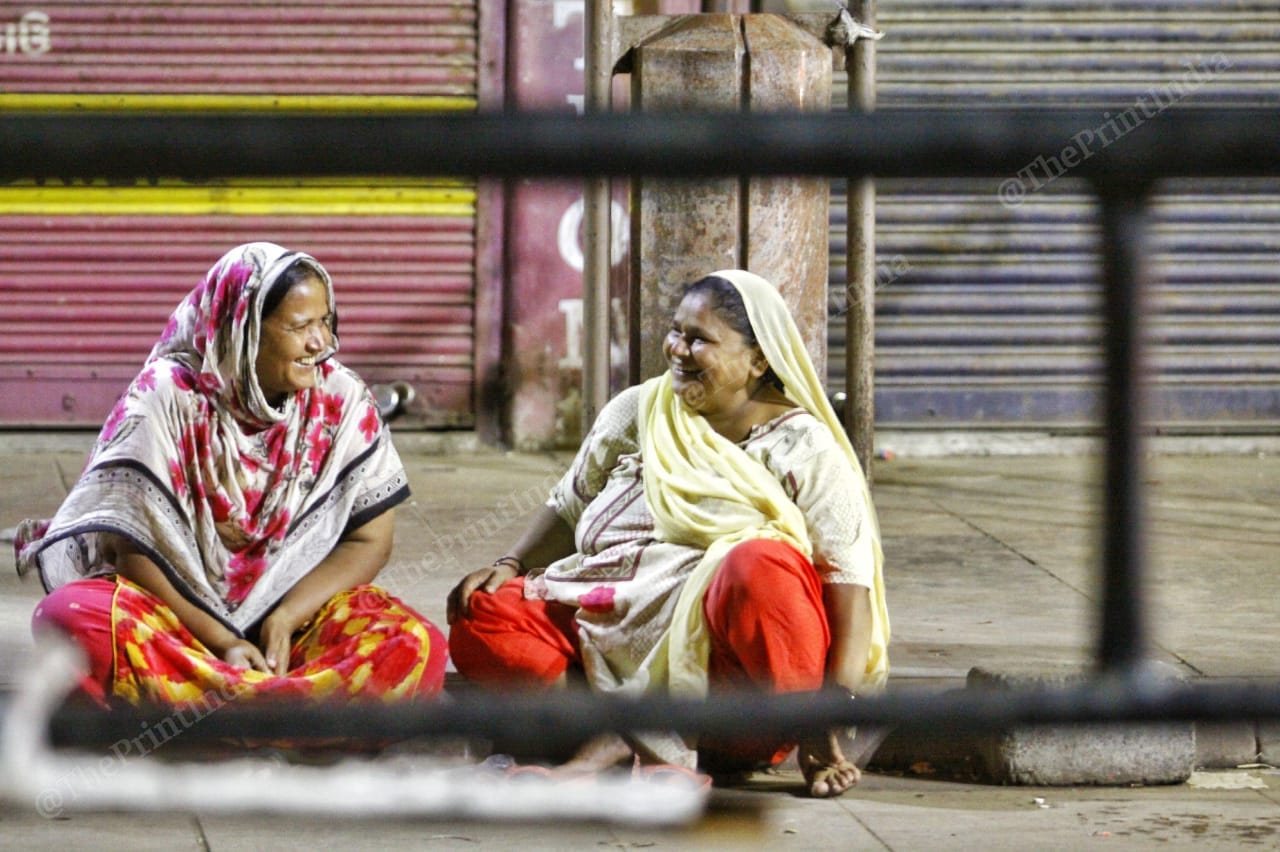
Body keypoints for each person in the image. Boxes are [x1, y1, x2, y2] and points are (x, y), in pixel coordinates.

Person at [447, 269, 889, 798]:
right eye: (677, 331)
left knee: (760, 566)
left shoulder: (805, 449)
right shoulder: (641, 409)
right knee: (485, 612)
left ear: (759, 359)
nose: (678, 349)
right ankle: (621, 733)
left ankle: (658, 738)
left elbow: (849, 590)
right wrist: (510, 565)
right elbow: (569, 507)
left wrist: (829, 717)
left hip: (735, 691)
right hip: (612, 628)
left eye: (700, 339)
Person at [15, 241, 446, 711]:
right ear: (242, 331)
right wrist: (223, 642)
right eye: (301, 326)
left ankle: (216, 717)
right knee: (71, 621)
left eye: (325, 321)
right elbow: (133, 553)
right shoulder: (165, 396)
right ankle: (291, 717)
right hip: (176, 621)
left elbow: (370, 541)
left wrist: (284, 618)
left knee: (416, 645)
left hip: (293, 631)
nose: (321, 342)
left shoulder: (342, 399)